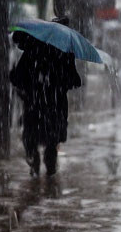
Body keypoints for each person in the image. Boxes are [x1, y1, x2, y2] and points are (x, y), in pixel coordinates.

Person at [9, 18, 81, 176]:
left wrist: (18, 75)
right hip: (55, 103)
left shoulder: (33, 47)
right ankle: (50, 166)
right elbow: (74, 80)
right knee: (52, 139)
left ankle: (34, 160)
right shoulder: (64, 51)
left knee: (31, 135)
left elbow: (18, 78)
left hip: (35, 101)